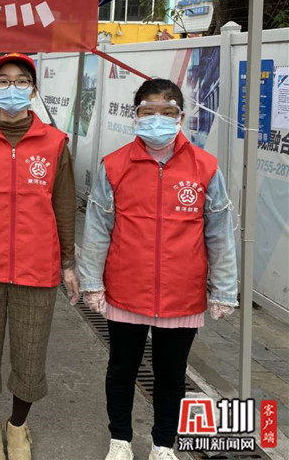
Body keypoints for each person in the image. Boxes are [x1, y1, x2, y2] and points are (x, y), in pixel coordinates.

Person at [78, 78, 238, 460]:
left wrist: (224, 289)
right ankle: (120, 440)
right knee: (121, 369)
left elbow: (219, 232)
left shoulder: (205, 167)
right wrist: (92, 282)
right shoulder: (115, 165)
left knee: (171, 376)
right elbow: (98, 227)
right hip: (126, 290)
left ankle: (163, 444)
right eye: (148, 111)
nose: (157, 119)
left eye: (167, 112)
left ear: (181, 117)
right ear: (136, 115)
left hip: (182, 294)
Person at [0, 53, 78, 460]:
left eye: (20, 81)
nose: (12, 88)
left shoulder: (55, 143)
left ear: (33, 90)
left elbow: (64, 206)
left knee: (30, 355)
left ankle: (18, 426)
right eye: (3, 81)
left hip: (37, 268)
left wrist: (68, 262)